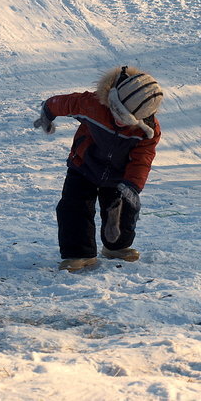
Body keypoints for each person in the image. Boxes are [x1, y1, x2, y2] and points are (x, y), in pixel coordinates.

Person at [34, 66, 163, 272]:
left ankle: (116, 247)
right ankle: (79, 253)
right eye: (117, 111)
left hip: (118, 176)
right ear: (112, 97)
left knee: (121, 210)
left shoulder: (147, 132)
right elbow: (65, 103)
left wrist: (132, 186)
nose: (120, 119)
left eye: (127, 118)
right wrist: (47, 113)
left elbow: (143, 159)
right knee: (74, 208)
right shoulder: (93, 105)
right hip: (83, 165)